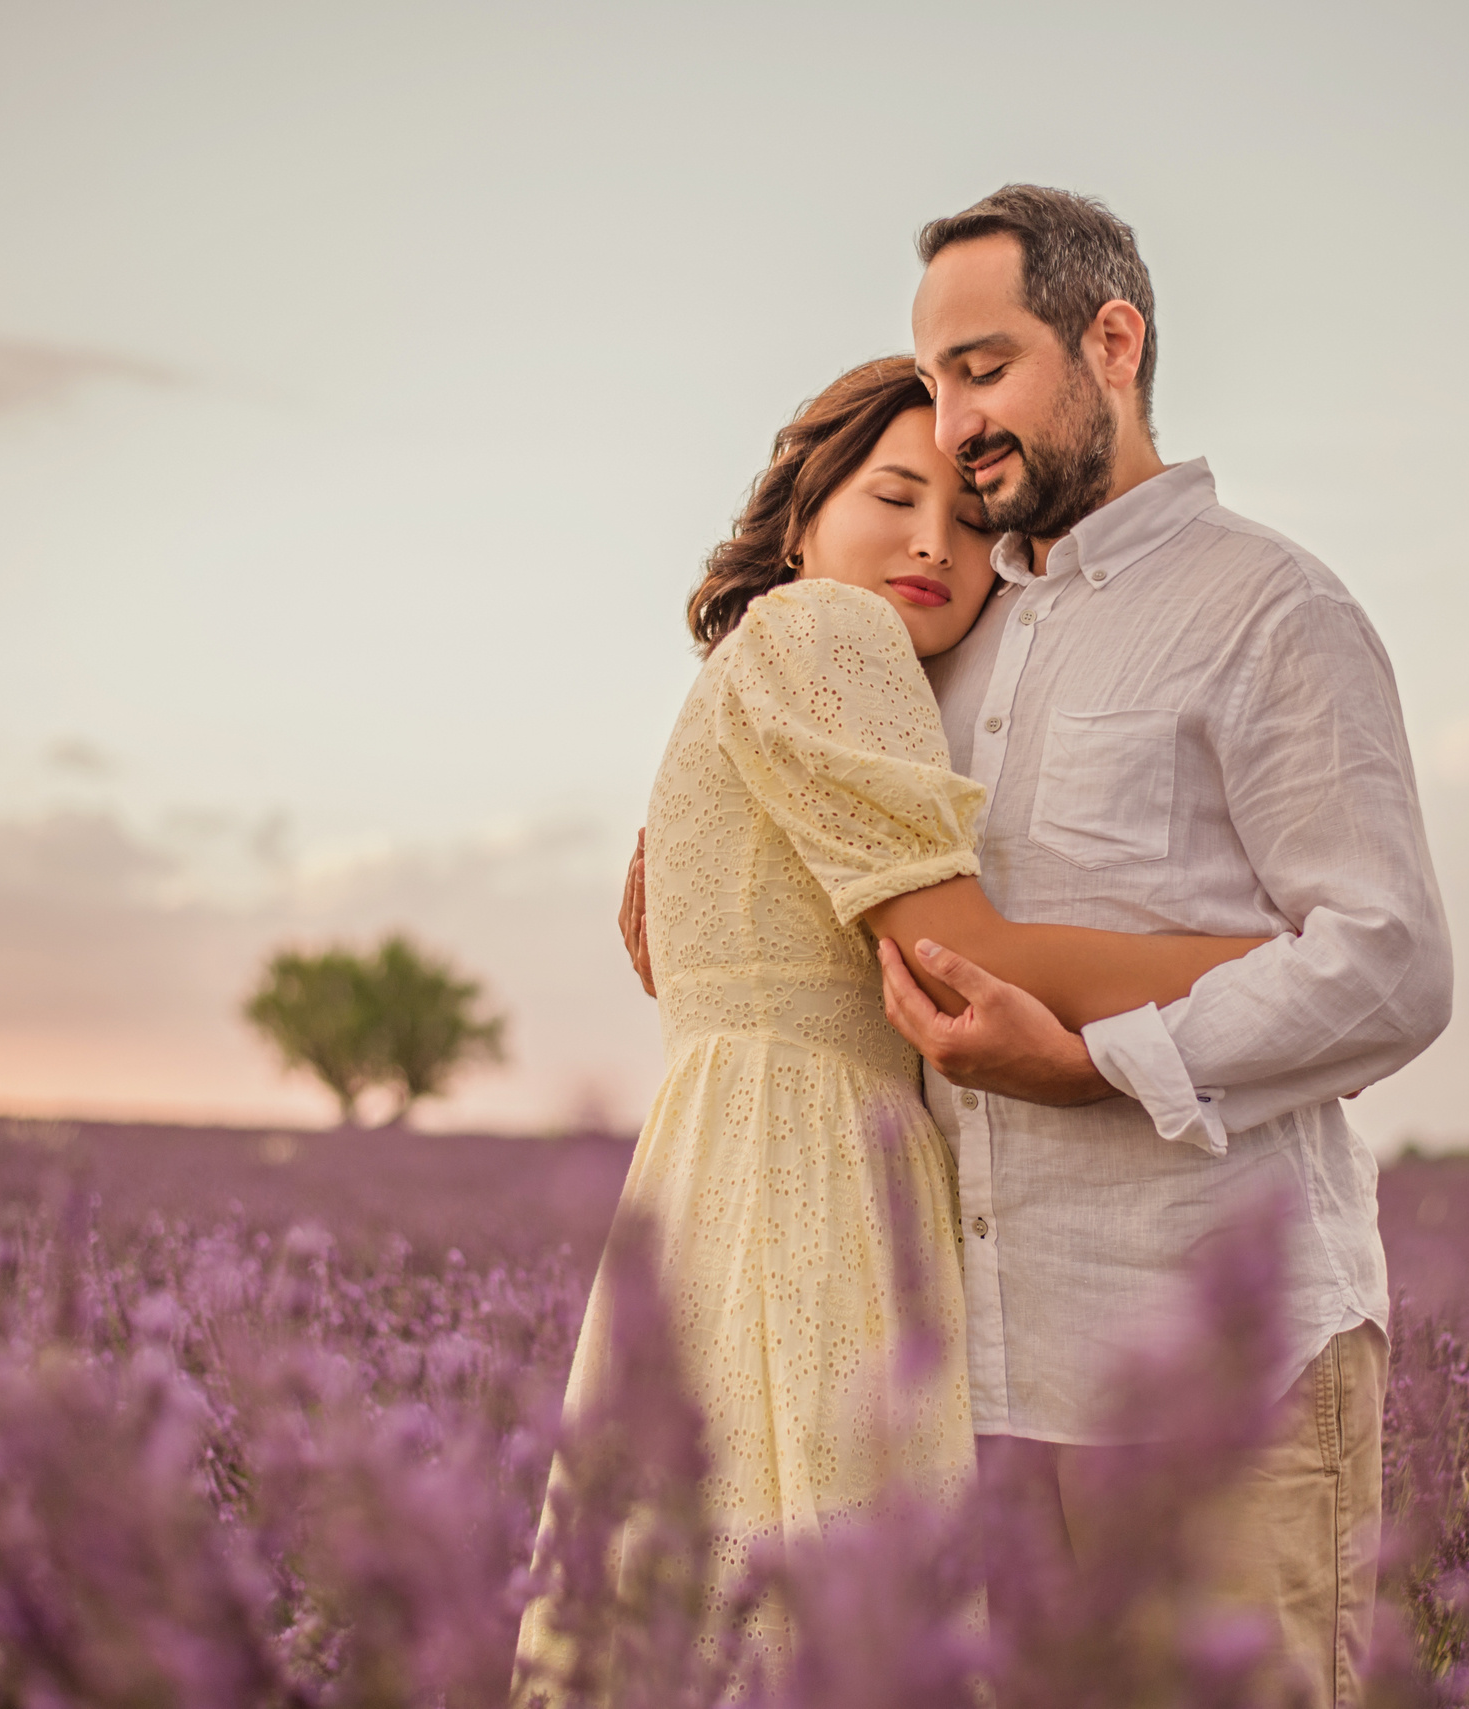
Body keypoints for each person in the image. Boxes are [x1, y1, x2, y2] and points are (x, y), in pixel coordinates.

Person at [516, 354, 1268, 1700]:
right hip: (813, 1194)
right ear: (801, 516)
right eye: (894, 494)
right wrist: (1271, 957)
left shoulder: (774, 658)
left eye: (977, 520)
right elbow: (957, 952)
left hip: (709, 1186)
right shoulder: (828, 635)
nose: (936, 539)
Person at [872, 186, 1451, 1709]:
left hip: (1229, 1372)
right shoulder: (951, 635)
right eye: (933, 381)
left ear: (1111, 339)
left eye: (984, 368)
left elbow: (1388, 958)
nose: (951, 424)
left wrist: (1098, 1065)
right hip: (1001, 1384)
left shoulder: (1271, 608)